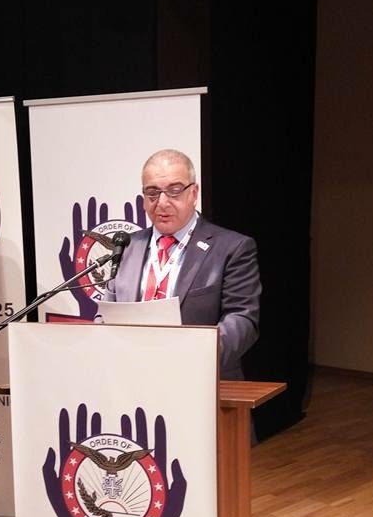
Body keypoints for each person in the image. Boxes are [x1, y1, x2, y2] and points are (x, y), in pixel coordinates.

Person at [103, 148, 261, 380]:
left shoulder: (231, 248)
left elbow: (242, 318)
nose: (162, 202)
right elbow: (107, 313)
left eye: (174, 191)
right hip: (131, 380)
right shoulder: (127, 246)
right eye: (152, 193)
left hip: (201, 381)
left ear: (193, 193)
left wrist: (192, 356)